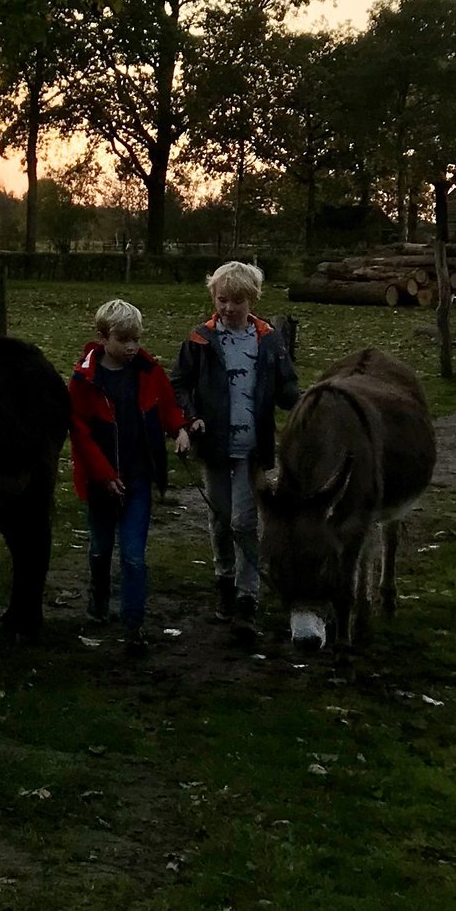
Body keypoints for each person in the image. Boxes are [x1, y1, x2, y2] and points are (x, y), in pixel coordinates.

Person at [173, 260, 302, 646]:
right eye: (222, 300)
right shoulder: (199, 341)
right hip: (214, 446)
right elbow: (178, 383)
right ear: (214, 297)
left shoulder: (269, 340)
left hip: (253, 449)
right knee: (220, 518)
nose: (229, 308)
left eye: (237, 301)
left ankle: (248, 596)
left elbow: (287, 386)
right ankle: (224, 580)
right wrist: (189, 417)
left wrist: (302, 401)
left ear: (252, 300)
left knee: (245, 521)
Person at [65, 298, 189, 657]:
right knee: (101, 549)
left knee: (134, 555)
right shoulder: (84, 381)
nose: (133, 347)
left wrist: (179, 429)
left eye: (136, 339)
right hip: (101, 483)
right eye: (124, 340)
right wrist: (104, 476)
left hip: (137, 480)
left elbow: (166, 406)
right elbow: (81, 436)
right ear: (103, 337)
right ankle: (98, 604)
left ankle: (134, 623)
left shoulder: (149, 371)